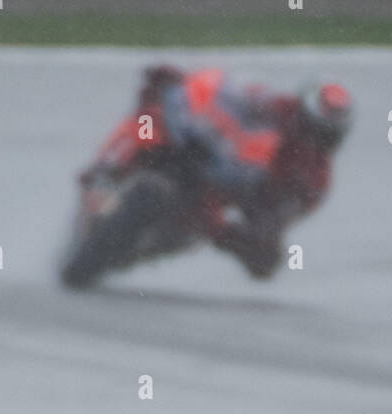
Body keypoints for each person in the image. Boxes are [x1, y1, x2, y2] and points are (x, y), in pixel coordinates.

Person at [140, 66, 353, 277]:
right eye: (311, 129)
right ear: (302, 113)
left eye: (325, 135)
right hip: (214, 150)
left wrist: (252, 229)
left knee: (266, 259)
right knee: (161, 90)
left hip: (239, 192)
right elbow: (238, 96)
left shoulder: (315, 179)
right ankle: (111, 167)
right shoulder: (278, 107)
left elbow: (279, 218)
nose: (313, 140)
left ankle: (167, 236)